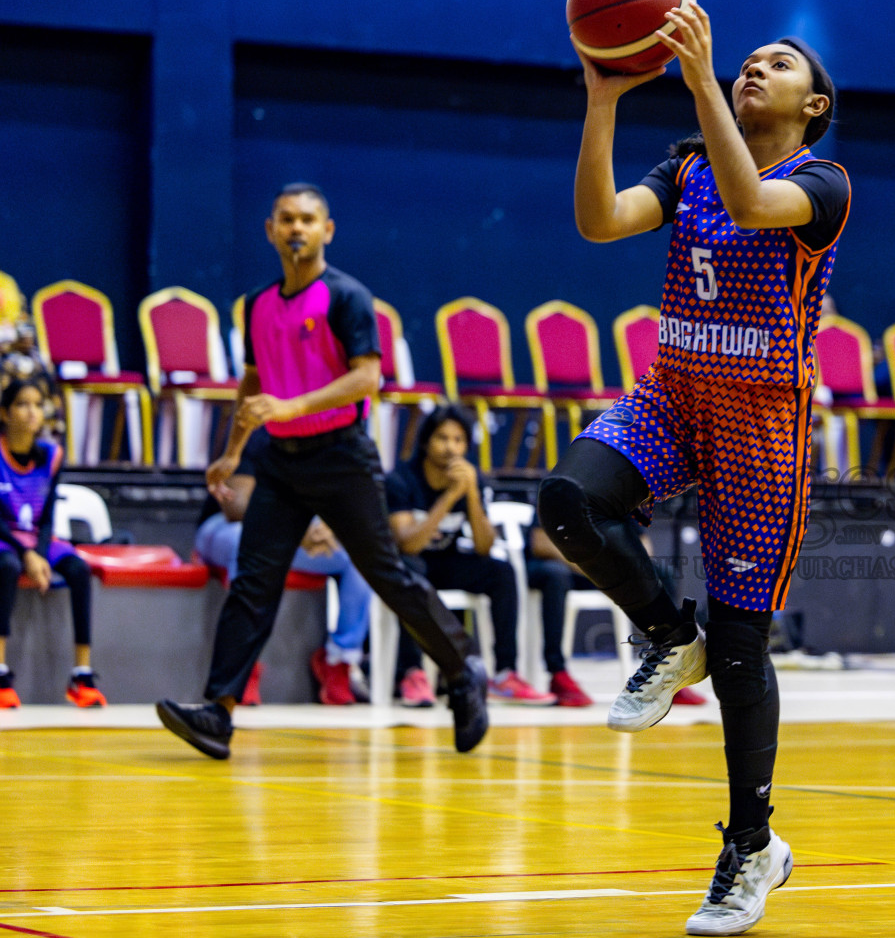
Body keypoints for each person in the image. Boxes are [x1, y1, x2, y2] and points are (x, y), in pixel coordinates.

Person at [539, 3, 848, 936]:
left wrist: (706, 75)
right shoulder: (686, 166)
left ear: (815, 102)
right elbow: (600, 221)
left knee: (747, 652)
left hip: (762, 427)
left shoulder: (823, 181)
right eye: (745, 60)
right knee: (566, 503)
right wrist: (601, 100)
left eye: (776, 63)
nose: (754, 67)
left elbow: (756, 204)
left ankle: (752, 850)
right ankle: (671, 635)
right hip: (672, 397)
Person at [156, 182, 487, 759]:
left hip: (340, 457)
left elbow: (367, 378)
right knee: (253, 582)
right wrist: (234, 450)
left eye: (308, 219)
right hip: (279, 461)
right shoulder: (256, 305)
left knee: (387, 573)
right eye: (286, 219)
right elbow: (254, 382)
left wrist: (292, 407)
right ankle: (218, 712)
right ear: (270, 229)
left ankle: (462, 669)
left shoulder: (347, 297)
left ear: (327, 230)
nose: (297, 229)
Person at [386, 404, 591, 708]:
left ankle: (505, 673)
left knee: (501, 572)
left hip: (449, 562)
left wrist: (469, 494)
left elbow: (483, 546)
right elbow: (409, 545)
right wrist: (449, 498)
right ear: (426, 442)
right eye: (442, 438)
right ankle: (412, 673)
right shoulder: (402, 479)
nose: (450, 447)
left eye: (458, 440)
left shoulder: (472, 479)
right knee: (410, 568)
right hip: (414, 565)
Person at [193, 426, 374, 705]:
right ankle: (243, 666)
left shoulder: (329, 440)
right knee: (244, 542)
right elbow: (236, 507)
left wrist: (329, 527)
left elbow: (350, 503)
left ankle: (338, 661)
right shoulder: (257, 434)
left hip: (298, 534)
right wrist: (297, 532)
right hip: (225, 529)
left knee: (358, 556)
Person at [0, 376, 104, 708]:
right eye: (22, 404)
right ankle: (0, 670)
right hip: (5, 537)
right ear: (4, 413)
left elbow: (47, 517)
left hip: (36, 537)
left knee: (78, 569)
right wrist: (27, 554)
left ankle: (82, 673)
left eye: (37, 404)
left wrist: (41, 553)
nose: (32, 412)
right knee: (8, 566)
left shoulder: (51, 455)